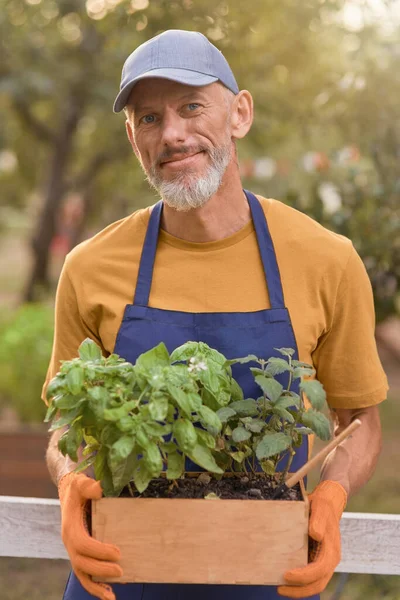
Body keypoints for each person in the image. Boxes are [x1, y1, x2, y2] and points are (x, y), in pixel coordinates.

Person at [44, 29, 388, 600]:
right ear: (133, 138)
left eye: (191, 107)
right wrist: (68, 479)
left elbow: (360, 421)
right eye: (148, 118)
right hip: (121, 576)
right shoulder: (90, 266)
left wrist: (333, 493)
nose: (172, 134)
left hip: (269, 573)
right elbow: (64, 423)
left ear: (240, 114)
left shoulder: (326, 259)